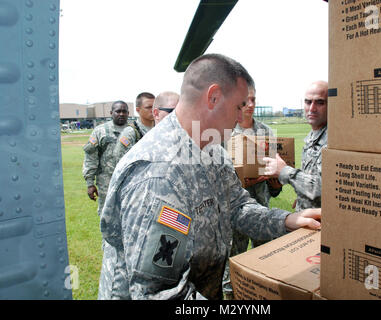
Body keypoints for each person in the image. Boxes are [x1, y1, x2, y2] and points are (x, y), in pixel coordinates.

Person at [98, 53, 321, 300]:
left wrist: (287, 220)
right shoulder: (159, 174)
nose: (240, 117)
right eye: (238, 106)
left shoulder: (212, 148)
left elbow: (236, 206)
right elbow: (157, 294)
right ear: (213, 97)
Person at [221, 84, 282, 299]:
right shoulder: (224, 133)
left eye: (254, 100)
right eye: (246, 100)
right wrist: (243, 181)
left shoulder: (266, 132)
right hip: (235, 213)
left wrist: (275, 180)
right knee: (232, 267)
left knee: (264, 265)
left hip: (262, 211)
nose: (251, 105)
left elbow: (276, 186)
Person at [263, 80, 328, 211]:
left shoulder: (334, 140)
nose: (312, 108)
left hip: (324, 222)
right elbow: (312, 179)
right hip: (308, 216)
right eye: (308, 102)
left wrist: (285, 171)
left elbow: (328, 189)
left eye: (320, 102)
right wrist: (302, 198)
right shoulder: (312, 137)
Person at [82, 100, 129, 216]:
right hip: (106, 182)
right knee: (107, 216)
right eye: (118, 111)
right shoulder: (100, 131)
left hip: (130, 181)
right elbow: (90, 158)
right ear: (111, 113)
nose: (121, 114)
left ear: (128, 113)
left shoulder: (135, 131)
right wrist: (90, 183)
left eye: (124, 111)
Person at [112, 92, 155, 163]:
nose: (153, 110)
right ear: (138, 110)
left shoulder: (159, 129)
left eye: (154, 107)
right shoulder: (130, 132)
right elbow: (119, 160)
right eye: (148, 107)